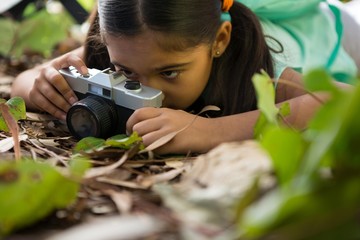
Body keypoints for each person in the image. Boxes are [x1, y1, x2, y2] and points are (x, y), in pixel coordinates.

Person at [11, 0, 354, 154]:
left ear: (219, 42)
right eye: (126, 73)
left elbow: (342, 101)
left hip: (337, 33)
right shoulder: (121, 46)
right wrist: (40, 85)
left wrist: (211, 131)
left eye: (170, 72)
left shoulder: (257, 62)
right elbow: (26, 81)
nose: (147, 88)